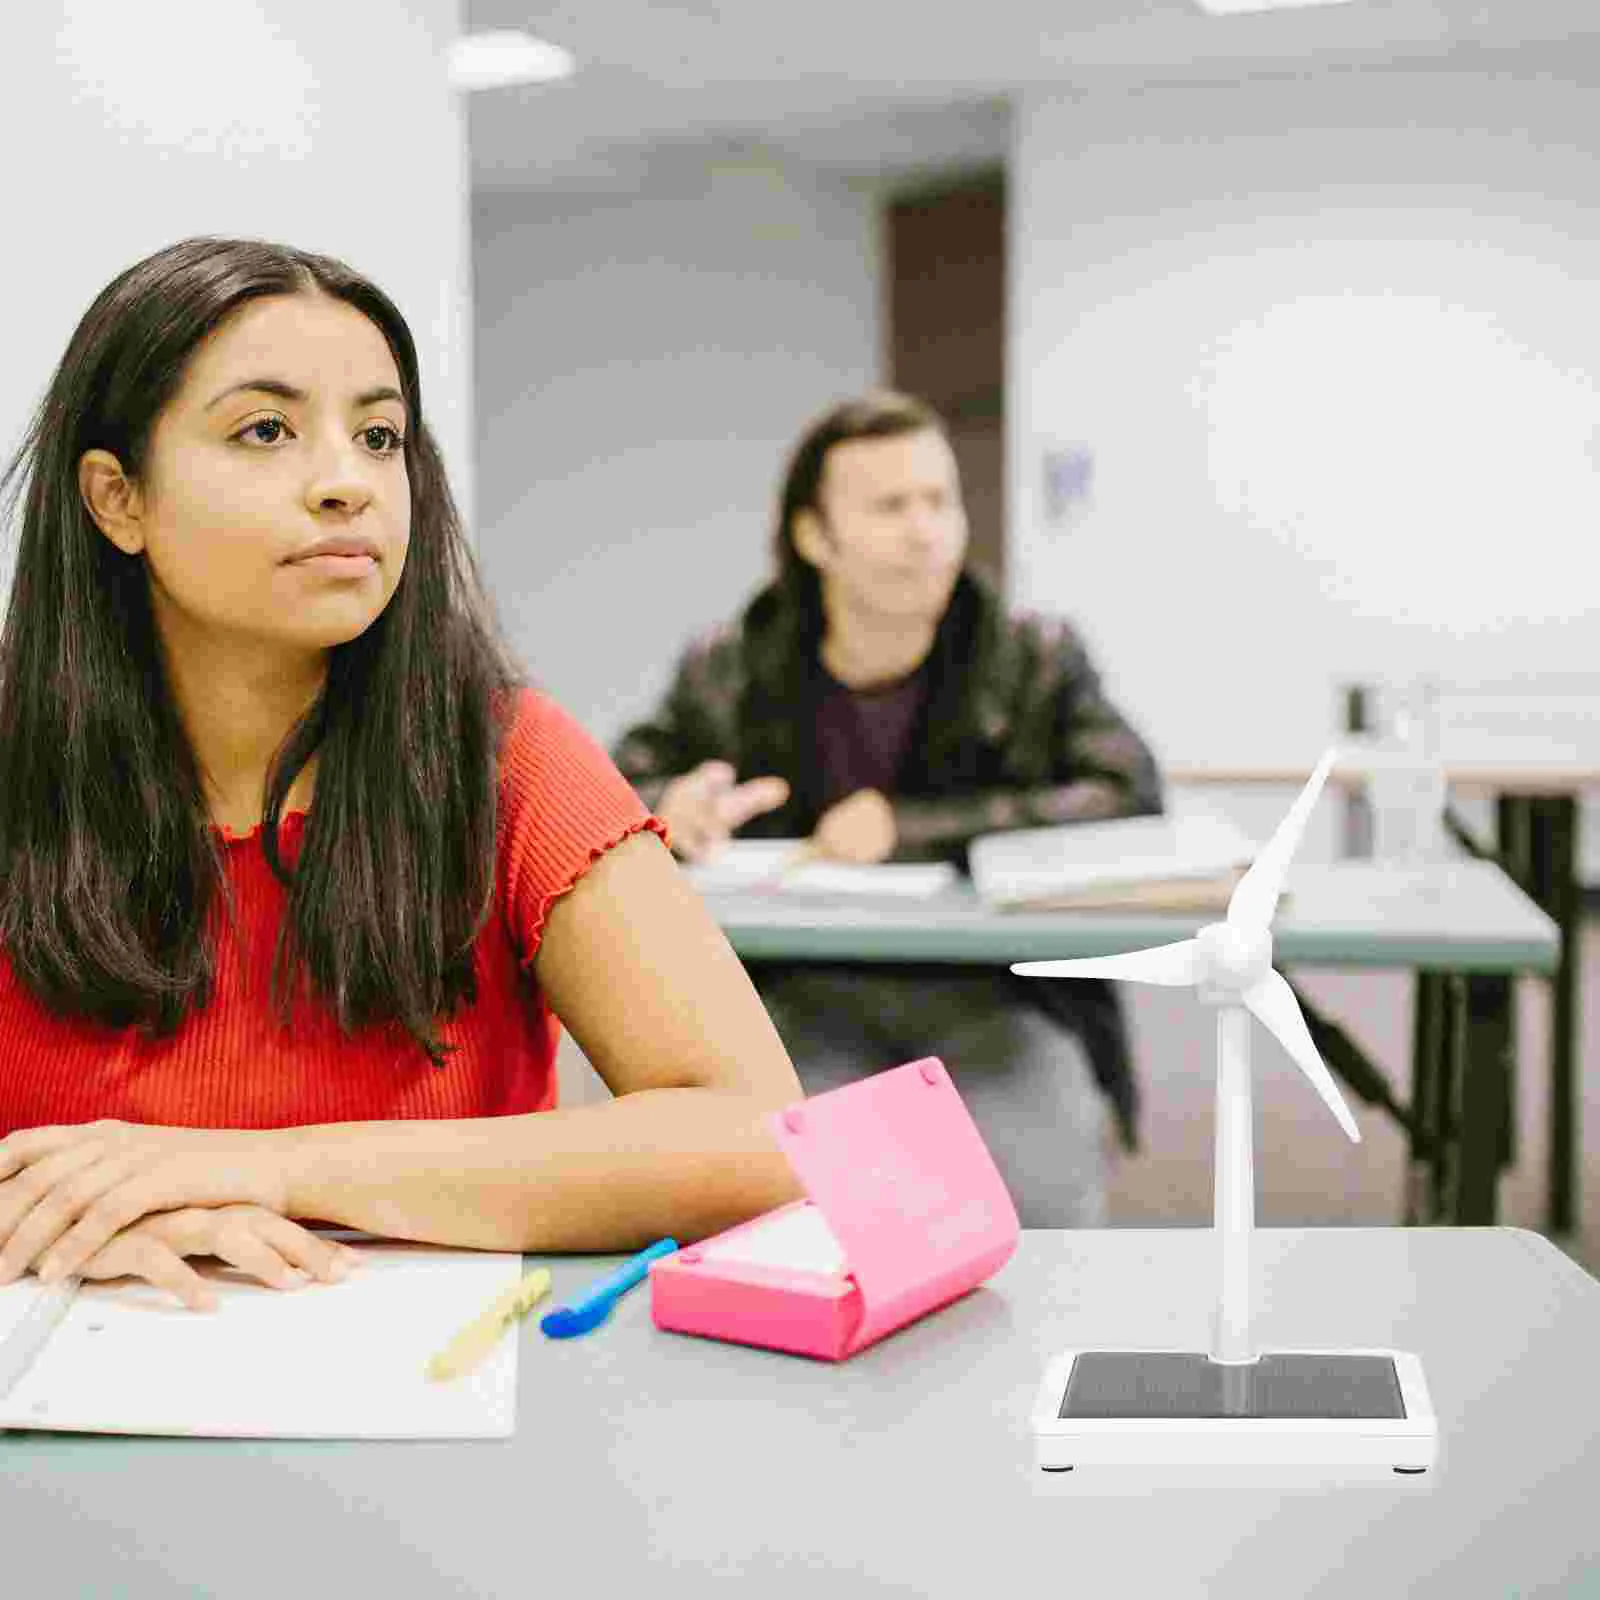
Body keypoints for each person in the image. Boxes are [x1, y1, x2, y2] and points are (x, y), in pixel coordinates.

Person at [0, 237, 803, 1311]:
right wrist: (70, 1214)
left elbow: (757, 1137)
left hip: (430, 1400)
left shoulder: (504, 755)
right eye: (266, 430)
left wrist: (267, 1172)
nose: (346, 484)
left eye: (379, 436)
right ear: (118, 499)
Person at [613, 391, 1162, 1227]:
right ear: (814, 537)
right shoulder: (727, 666)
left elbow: (1127, 792)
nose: (925, 531)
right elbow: (611, 795)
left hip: (1004, 994)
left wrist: (908, 832)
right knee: (788, 1202)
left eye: (940, 501)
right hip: (795, 996)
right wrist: (669, 810)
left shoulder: (1033, 654)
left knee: (1035, 1200)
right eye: (890, 506)